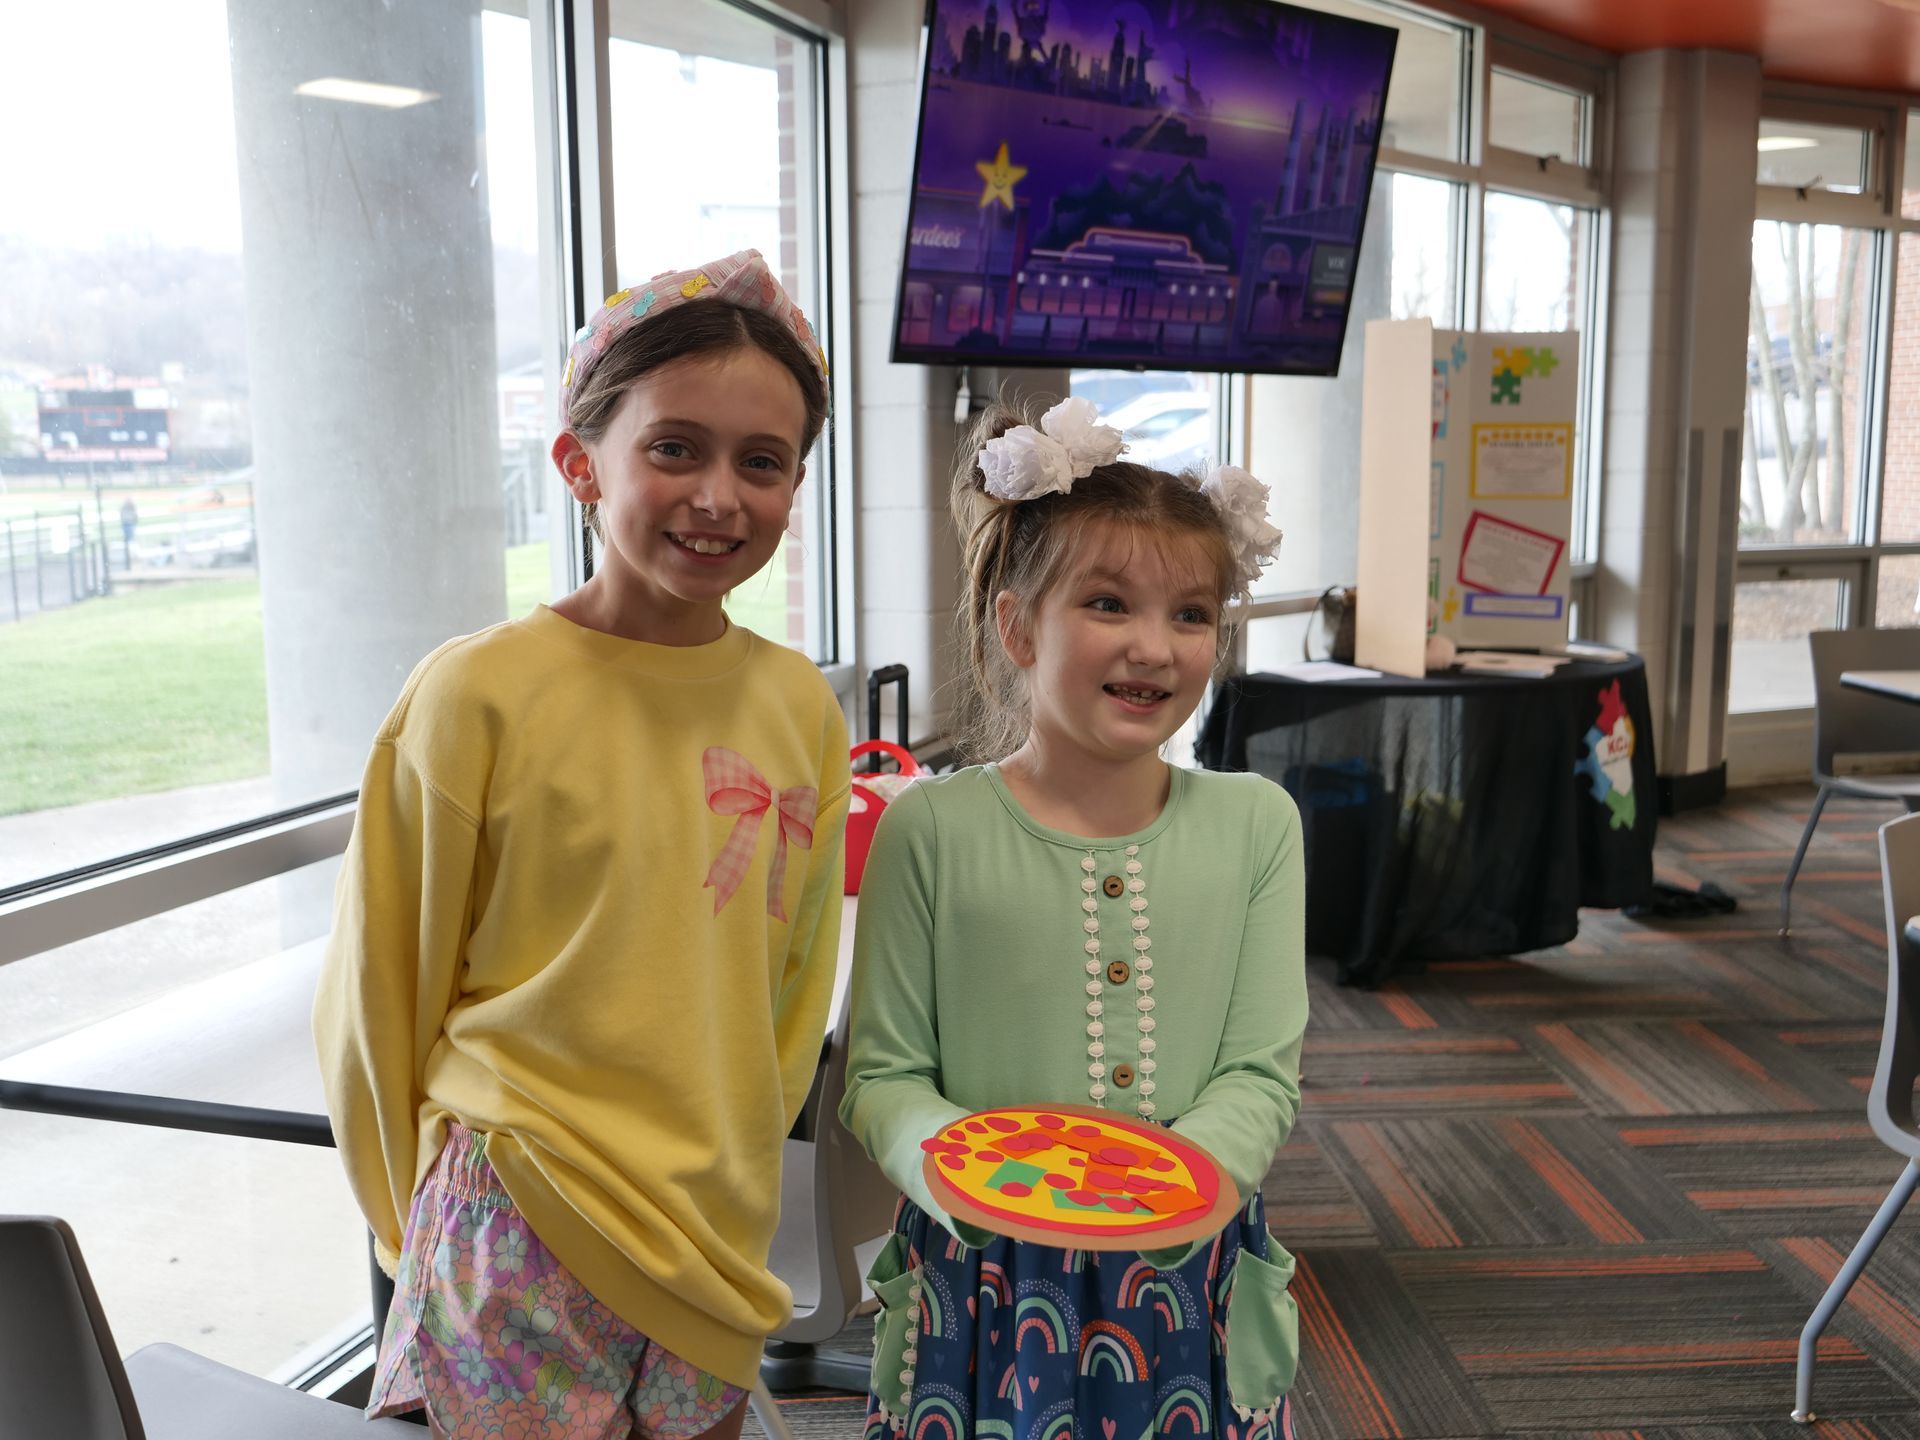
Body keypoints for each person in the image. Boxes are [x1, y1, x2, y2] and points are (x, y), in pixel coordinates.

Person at [314, 249, 850, 1440]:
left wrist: (742, 1167)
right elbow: (377, 995)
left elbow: (792, 988)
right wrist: (421, 1225)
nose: (719, 495)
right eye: (675, 448)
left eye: (761, 464)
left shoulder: (799, 707)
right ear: (578, 464)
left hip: (711, 1225)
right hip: (515, 1219)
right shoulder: (475, 695)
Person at [841, 396, 1304, 1440]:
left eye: (1191, 615)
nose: (1156, 646)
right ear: (1016, 627)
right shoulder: (933, 831)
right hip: (985, 1279)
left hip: (1190, 1269)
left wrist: (1185, 1188)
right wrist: (967, 1175)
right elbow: (882, 1078)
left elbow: (1261, 1070)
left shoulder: (1257, 824)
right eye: (1108, 603)